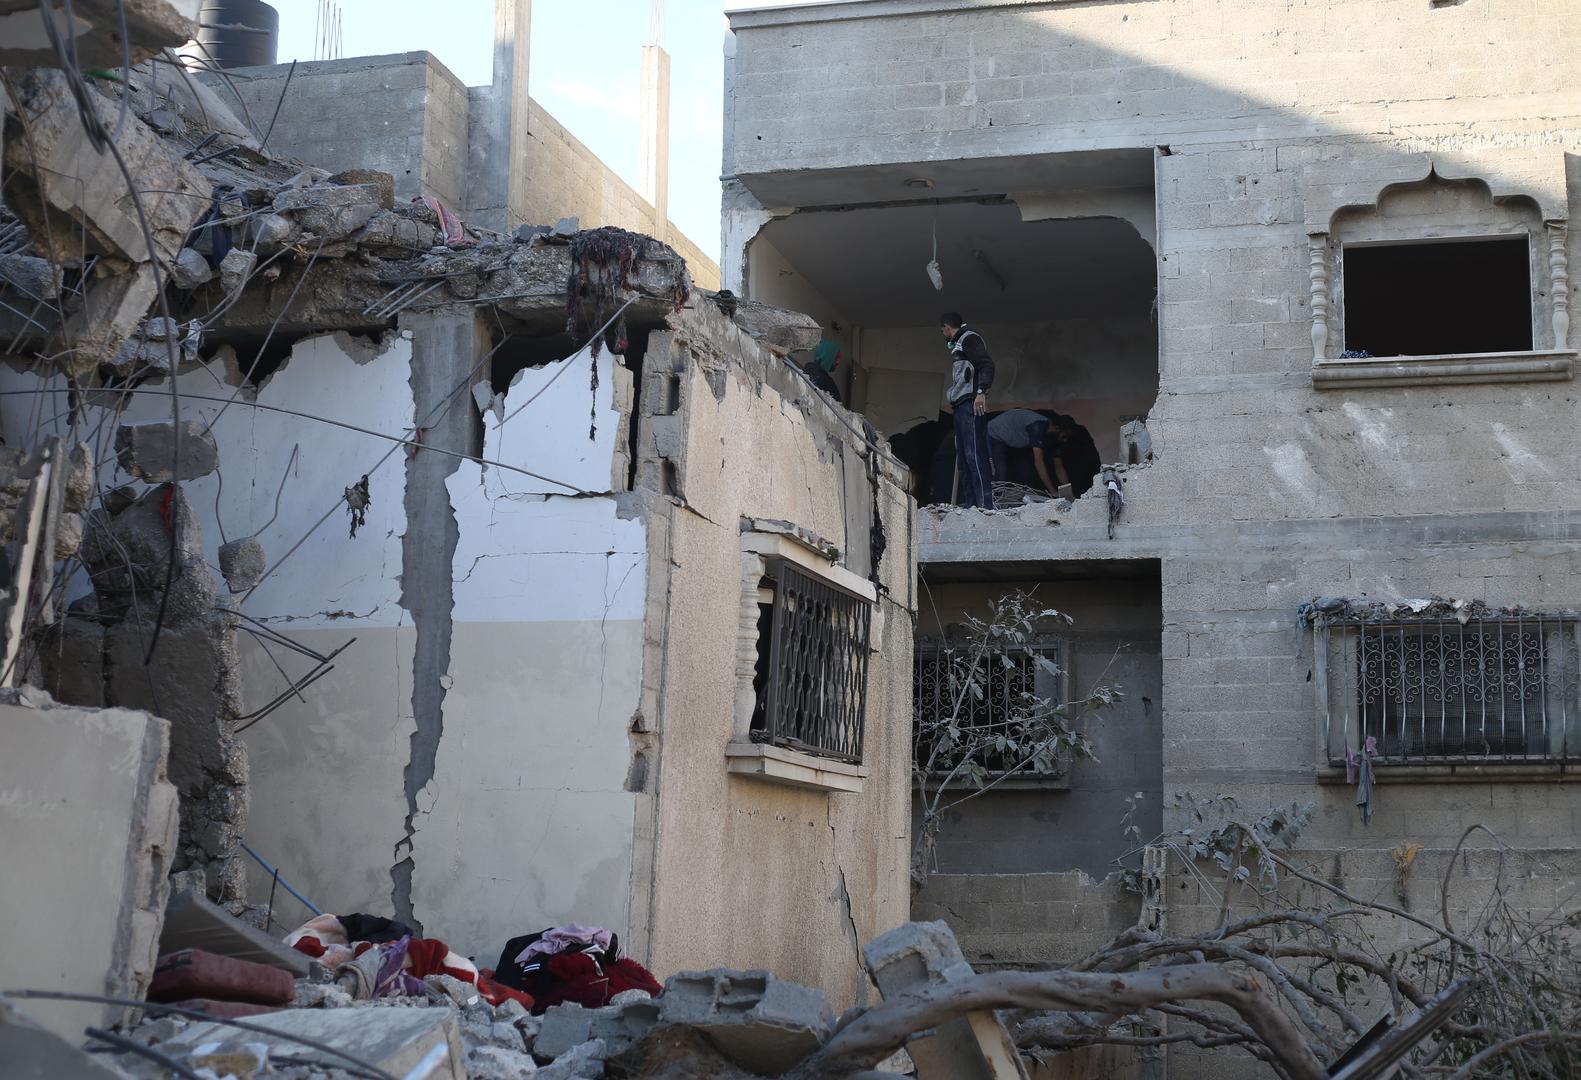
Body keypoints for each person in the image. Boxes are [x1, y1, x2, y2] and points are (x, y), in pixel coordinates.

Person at [940, 312, 994, 509]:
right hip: (960, 405)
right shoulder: (958, 343)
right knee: (963, 458)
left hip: (971, 404)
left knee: (974, 454)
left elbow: (986, 364)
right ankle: (972, 505)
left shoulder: (969, 338)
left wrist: (981, 392)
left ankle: (984, 506)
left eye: (943, 330)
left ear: (946, 327)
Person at [987, 407, 1057, 494]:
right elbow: (1039, 462)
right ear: (1054, 425)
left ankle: (1024, 495)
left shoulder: (1044, 429)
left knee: (1025, 469)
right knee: (1001, 471)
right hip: (996, 434)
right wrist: (1052, 490)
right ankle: (998, 497)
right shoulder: (1038, 426)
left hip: (1014, 438)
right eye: (1057, 430)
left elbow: (1058, 465)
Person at [1049, 413, 1102, 498]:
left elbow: (1092, 456)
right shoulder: (1056, 441)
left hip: (1089, 470)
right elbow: (1058, 466)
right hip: (1072, 473)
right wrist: (1067, 489)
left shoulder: (1080, 432)